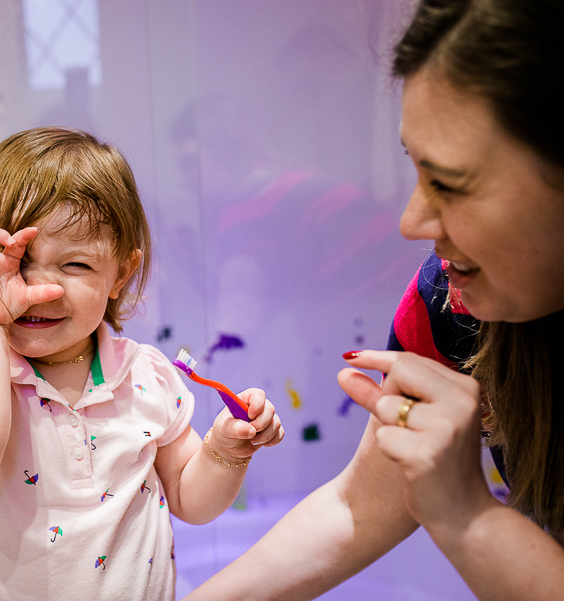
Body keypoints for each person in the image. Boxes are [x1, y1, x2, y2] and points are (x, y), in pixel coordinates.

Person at [184, 0, 564, 599]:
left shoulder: (252, 206)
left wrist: (467, 517)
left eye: (450, 184)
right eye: (416, 172)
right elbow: (359, 504)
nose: (412, 220)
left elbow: (241, 298)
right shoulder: (449, 298)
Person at [0, 127, 284, 600]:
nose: (42, 288)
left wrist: (226, 451)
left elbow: (191, 501)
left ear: (122, 273)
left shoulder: (145, 376)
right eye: (16, 262)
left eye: (76, 266)